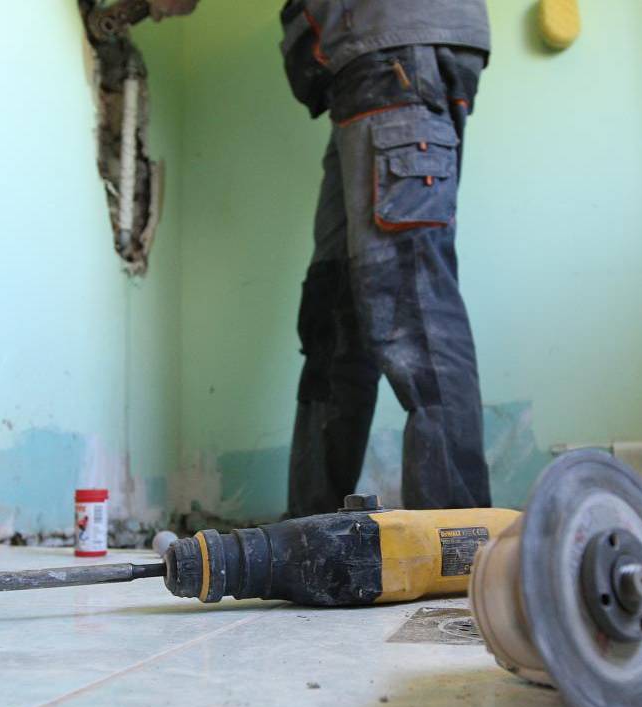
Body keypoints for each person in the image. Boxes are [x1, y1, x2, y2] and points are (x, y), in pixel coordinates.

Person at [153, 0, 493, 516]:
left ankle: (455, 535)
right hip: (368, 66)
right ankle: (312, 529)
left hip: (394, 51)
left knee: (412, 301)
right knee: (334, 306)